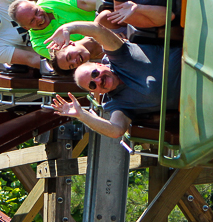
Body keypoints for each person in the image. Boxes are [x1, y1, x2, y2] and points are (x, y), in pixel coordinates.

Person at [48, 21, 182, 138]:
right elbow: (115, 131)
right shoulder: (117, 103)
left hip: (190, 61)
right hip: (193, 100)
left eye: (95, 74)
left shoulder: (119, 56)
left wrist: (68, 28)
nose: (98, 80)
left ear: (100, 64)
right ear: (97, 92)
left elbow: (97, 30)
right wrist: (82, 115)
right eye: (93, 85)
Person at [7, 0, 97, 59]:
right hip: (99, 44)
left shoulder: (47, 0)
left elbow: (84, 3)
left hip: (105, 16)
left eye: (37, 11)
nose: (39, 18)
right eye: (32, 21)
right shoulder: (39, 45)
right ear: (26, 28)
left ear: (35, 4)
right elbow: (81, 51)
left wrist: (107, 3)